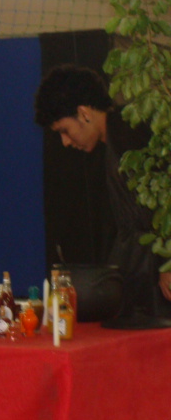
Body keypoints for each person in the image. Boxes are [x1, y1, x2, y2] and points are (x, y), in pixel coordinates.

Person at [34, 64, 171, 321]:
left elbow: (167, 197)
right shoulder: (117, 138)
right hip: (140, 269)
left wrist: (167, 262)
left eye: (64, 130)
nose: (65, 141)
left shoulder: (131, 132)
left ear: (84, 113)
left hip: (155, 275)